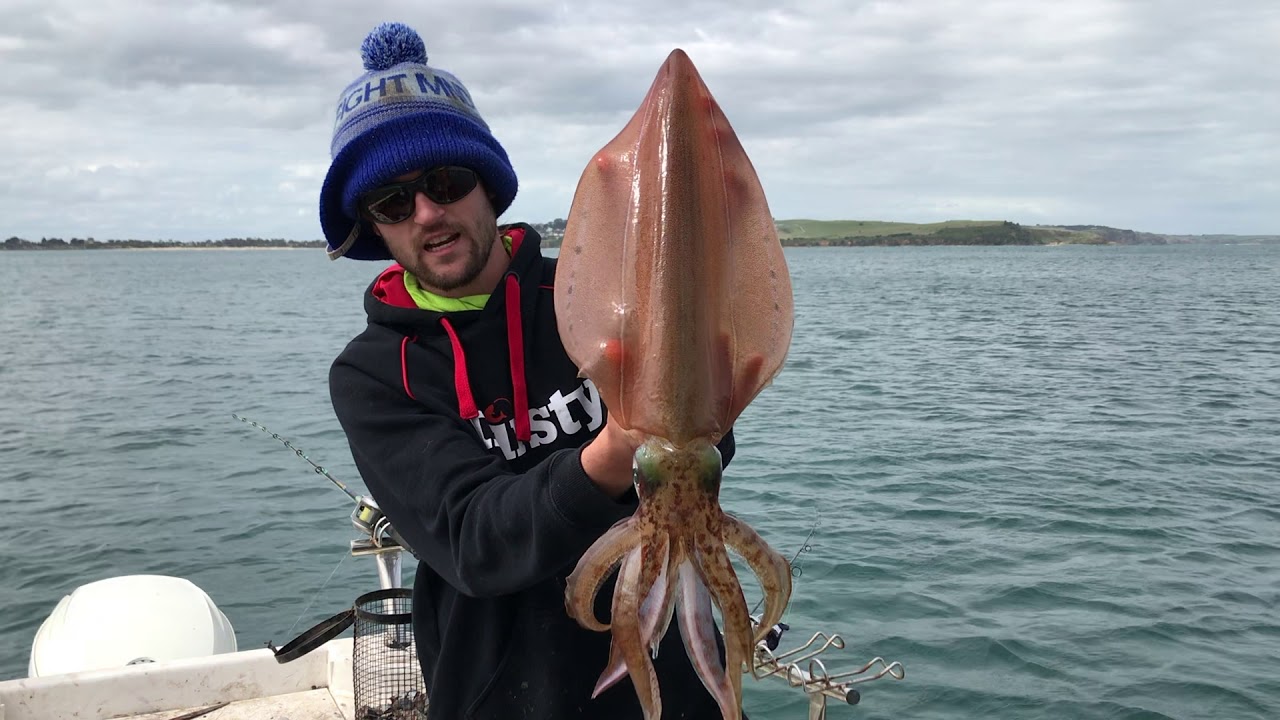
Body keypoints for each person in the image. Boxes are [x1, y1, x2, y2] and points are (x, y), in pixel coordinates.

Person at [322, 22, 738, 720]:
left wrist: (695, 420)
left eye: (445, 182)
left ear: (487, 186)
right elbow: (474, 541)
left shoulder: (602, 296)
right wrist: (613, 450)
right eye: (393, 202)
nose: (428, 212)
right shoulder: (372, 375)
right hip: (502, 693)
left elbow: (708, 440)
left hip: (676, 679)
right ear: (373, 227)